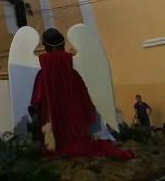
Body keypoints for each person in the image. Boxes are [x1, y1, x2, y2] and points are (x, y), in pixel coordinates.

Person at [29, 28, 133, 159]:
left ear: (45, 45)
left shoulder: (40, 65)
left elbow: (38, 97)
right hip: (74, 112)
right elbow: (82, 94)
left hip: (53, 111)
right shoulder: (71, 62)